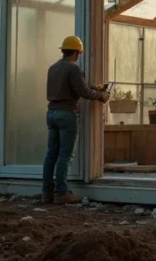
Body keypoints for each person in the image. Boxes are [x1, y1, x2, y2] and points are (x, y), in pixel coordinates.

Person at [42, 36, 109, 204]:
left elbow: (72, 87)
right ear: (78, 53)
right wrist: (101, 95)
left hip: (51, 113)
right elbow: (83, 92)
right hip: (66, 114)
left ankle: (47, 192)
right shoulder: (74, 68)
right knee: (65, 155)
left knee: (51, 154)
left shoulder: (53, 68)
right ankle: (62, 193)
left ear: (63, 50)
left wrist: (94, 87)